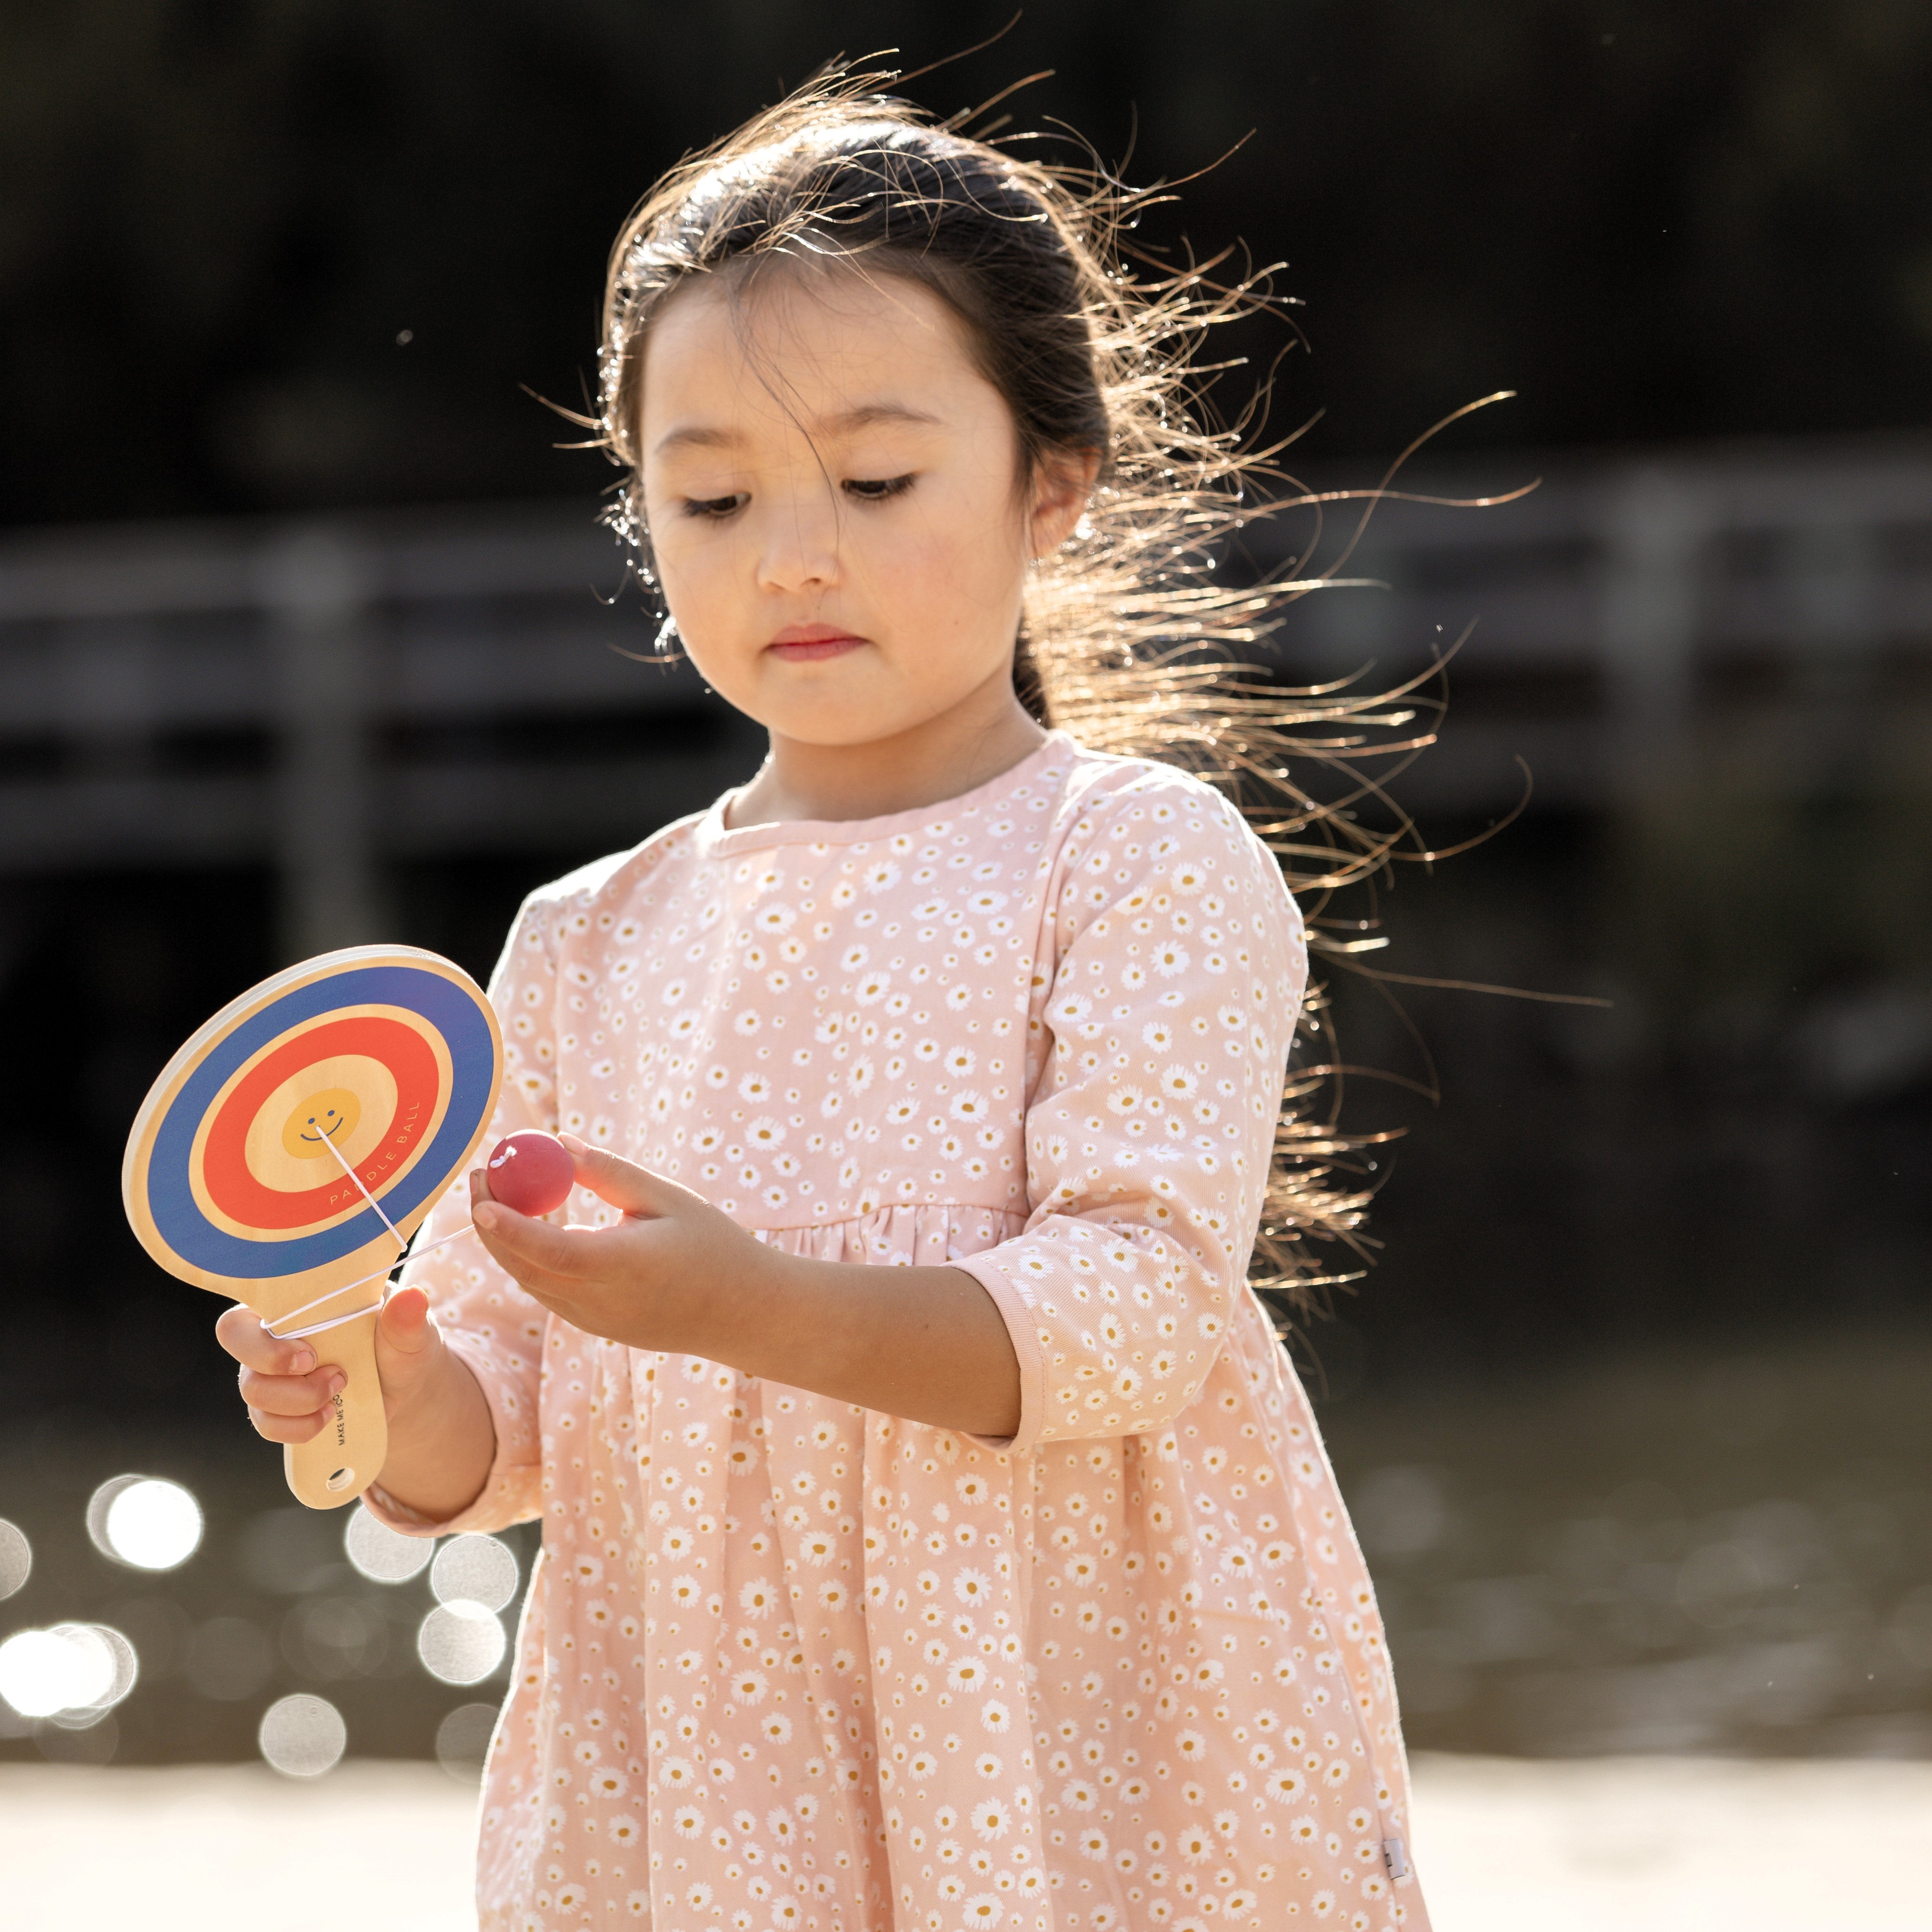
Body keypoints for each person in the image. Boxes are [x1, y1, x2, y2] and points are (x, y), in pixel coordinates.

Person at [220, 69, 1433, 1931]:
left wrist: (746, 1305)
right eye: (708, 494)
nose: (791, 549)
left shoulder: (1130, 859)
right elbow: (508, 1428)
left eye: (874, 479)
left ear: (1052, 481)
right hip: (714, 1771)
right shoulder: (586, 939)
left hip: (1069, 1743)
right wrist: (385, 1371)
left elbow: (1133, 1311)